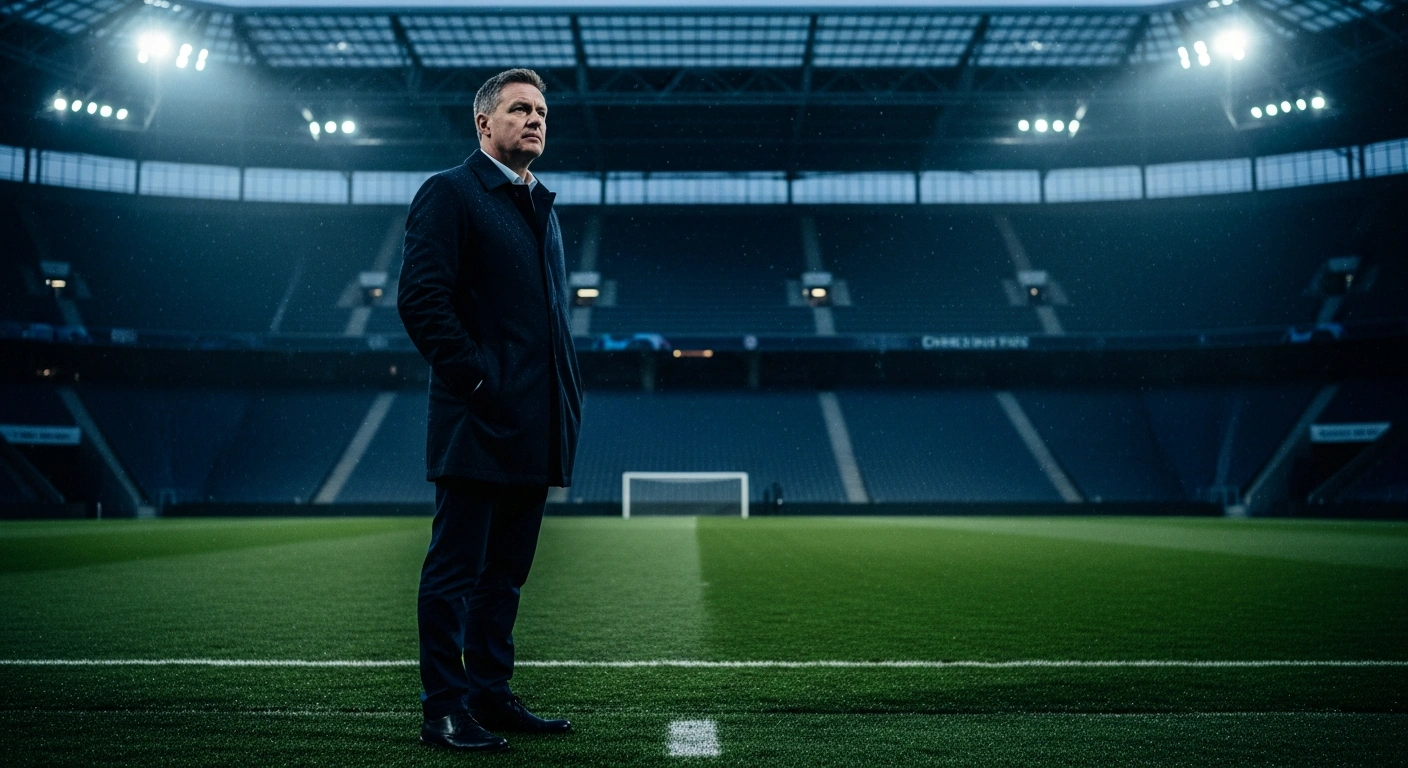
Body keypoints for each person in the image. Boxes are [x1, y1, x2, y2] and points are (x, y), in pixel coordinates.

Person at [397, 68, 583, 753]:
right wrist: (481, 383)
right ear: (485, 124)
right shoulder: (450, 193)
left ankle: (490, 694)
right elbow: (421, 300)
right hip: (478, 421)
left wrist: (561, 400)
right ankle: (444, 710)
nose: (534, 119)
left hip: (535, 427)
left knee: (504, 576)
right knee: (455, 575)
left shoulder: (542, 205)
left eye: (540, 111)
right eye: (518, 109)